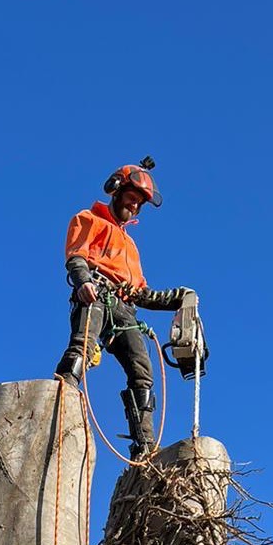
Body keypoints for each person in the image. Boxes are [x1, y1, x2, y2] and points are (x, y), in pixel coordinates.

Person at [53, 159, 191, 460]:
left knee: (142, 370)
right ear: (116, 190)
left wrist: (177, 298)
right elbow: (76, 256)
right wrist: (82, 282)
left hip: (125, 308)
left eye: (140, 203)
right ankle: (61, 399)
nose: (135, 206)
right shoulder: (89, 219)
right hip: (97, 294)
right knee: (83, 347)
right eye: (132, 198)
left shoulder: (130, 246)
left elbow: (141, 293)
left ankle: (144, 444)